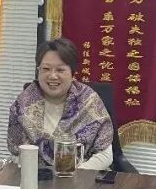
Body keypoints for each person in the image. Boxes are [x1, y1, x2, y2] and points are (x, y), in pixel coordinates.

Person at [7, 38, 114, 169]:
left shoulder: (89, 101)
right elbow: (16, 153)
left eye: (60, 70)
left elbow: (105, 155)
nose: (52, 76)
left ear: (73, 74)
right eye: (46, 69)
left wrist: (74, 175)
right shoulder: (23, 103)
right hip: (38, 175)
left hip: (83, 174)